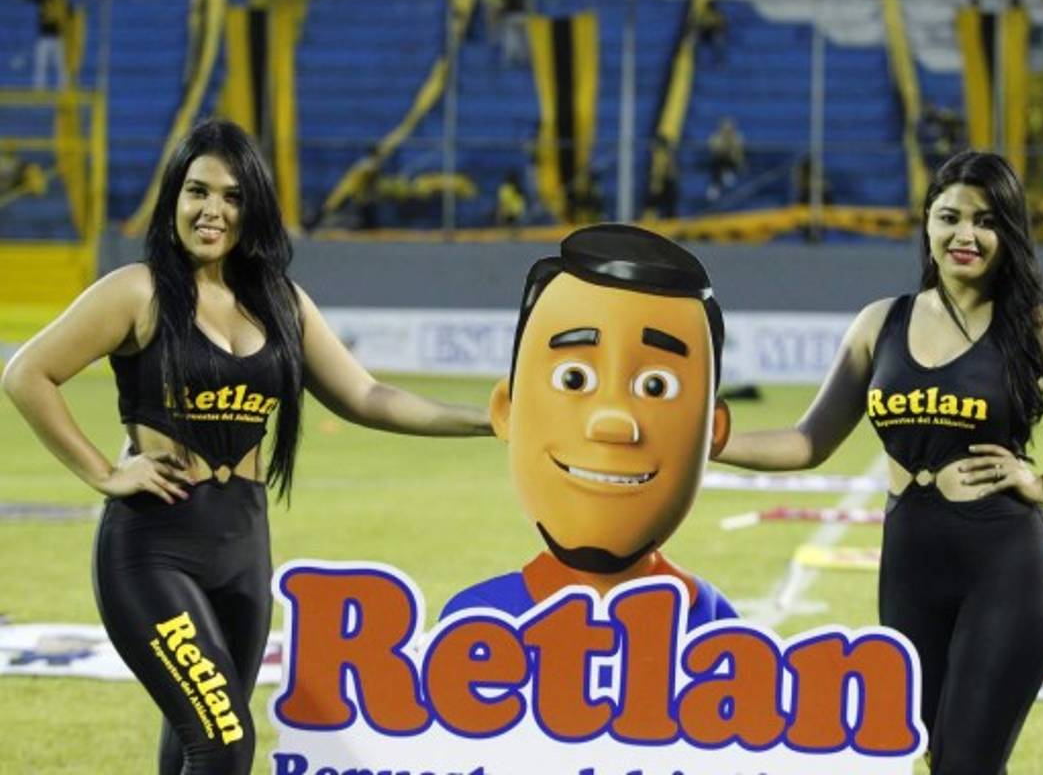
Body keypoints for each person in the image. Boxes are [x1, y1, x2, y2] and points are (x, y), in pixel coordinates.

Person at [0, 119, 492, 775]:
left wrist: (488, 419)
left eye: (232, 196)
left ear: (252, 206)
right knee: (224, 741)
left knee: (194, 741)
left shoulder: (282, 302)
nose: (212, 210)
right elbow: (27, 374)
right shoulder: (137, 291)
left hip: (242, 552)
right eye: (197, 191)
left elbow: (367, 396)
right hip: (153, 555)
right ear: (173, 197)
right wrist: (101, 473)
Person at [714, 151, 1043, 774]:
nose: (966, 235)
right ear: (927, 222)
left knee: (965, 764)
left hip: (1005, 566)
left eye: (986, 221)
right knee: (930, 754)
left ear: (1009, 232)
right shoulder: (881, 323)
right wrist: (710, 439)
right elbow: (806, 443)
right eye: (950, 217)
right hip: (909, 563)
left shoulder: (1033, 328)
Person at [441, 223, 736, 630]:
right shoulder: (481, 618)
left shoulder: (711, 619)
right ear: (507, 407)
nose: (613, 423)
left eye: (656, 386)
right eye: (574, 379)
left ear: (714, 431)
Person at [23, 0, 71, 90]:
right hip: (43, 37)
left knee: (61, 64)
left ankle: (64, 88)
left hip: (58, 37)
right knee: (40, 63)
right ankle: (39, 88)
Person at [705, 116, 745, 202]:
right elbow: (713, 150)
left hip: (732, 161)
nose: (727, 132)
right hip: (719, 161)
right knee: (717, 162)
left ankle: (729, 173)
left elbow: (738, 153)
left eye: (729, 130)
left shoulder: (738, 137)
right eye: (725, 129)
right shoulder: (715, 137)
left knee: (733, 158)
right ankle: (715, 185)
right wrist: (724, 146)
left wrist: (731, 148)